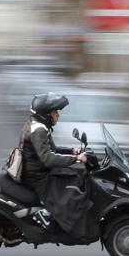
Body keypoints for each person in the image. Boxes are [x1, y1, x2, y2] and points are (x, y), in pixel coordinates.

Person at [19, 92, 97, 240]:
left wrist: (71, 151)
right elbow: (48, 158)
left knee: (76, 176)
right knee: (71, 192)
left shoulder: (38, 125)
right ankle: (61, 224)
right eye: (55, 112)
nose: (58, 115)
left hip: (38, 170)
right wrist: (76, 159)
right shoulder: (39, 130)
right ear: (46, 114)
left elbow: (52, 149)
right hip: (37, 176)